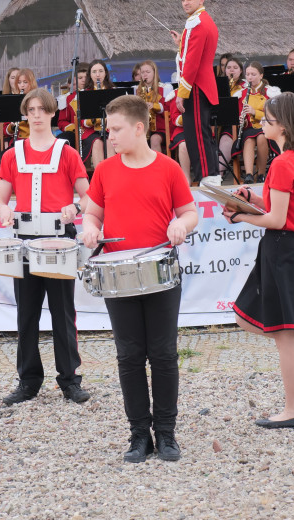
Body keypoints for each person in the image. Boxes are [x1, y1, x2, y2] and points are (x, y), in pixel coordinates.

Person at [81, 95, 198, 463]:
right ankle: (138, 435)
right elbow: (92, 216)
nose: (110, 136)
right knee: (129, 356)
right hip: (119, 276)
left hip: (162, 274)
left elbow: (191, 212)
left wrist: (180, 224)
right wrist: (89, 230)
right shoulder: (104, 171)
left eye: (116, 130)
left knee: (163, 354)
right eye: (108, 129)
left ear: (138, 128)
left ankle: (166, 434)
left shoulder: (168, 169)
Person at [223, 94, 294, 429]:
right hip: (290, 248)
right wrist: (249, 199)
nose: (262, 124)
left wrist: (242, 217)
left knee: (282, 333)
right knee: (255, 319)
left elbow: (276, 219)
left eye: (267, 120)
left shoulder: (285, 162)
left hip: (284, 249)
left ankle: (293, 409)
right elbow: (278, 207)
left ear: (283, 125)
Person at [0, 88, 91, 406]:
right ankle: (28, 381)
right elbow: (0, 200)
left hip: (60, 240)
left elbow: (88, 198)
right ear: (25, 114)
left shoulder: (67, 152)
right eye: (30, 110)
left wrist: (75, 209)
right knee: (26, 314)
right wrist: (4, 210)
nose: (36, 115)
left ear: (52, 113)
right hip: (24, 240)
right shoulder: (12, 155)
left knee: (63, 313)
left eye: (41, 109)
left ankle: (70, 380)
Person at [169, 0, 219, 183]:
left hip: (196, 86)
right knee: (200, 133)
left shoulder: (196, 22)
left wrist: (182, 92)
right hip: (201, 83)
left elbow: (191, 63)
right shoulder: (203, 20)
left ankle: (207, 178)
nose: (185, 3)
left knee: (197, 135)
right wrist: (182, 44)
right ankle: (210, 176)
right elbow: (193, 54)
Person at [236, 61, 280, 183]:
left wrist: (255, 112)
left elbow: (274, 116)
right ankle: (249, 174)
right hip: (249, 128)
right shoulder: (242, 93)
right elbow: (241, 115)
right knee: (249, 140)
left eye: (253, 74)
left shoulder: (269, 92)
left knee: (261, 137)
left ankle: (261, 174)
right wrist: (242, 121)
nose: (249, 77)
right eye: (248, 74)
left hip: (266, 126)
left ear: (261, 75)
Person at [68, 59, 112, 169]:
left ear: (105, 73)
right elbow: (82, 120)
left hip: (109, 129)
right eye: (94, 71)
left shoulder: (112, 90)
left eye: (101, 71)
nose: (98, 75)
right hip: (91, 130)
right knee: (96, 142)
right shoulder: (84, 94)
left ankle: (112, 176)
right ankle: (100, 177)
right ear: (90, 75)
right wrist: (92, 120)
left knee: (110, 141)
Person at [217, 57, 247, 177]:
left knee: (225, 138)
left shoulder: (246, 85)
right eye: (229, 68)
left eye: (235, 68)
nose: (231, 70)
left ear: (240, 71)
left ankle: (219, 172)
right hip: (222, 121)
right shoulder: (219, 84)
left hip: (240, 122)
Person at [135, 60, 170, 154]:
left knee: (154, 139)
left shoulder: (165, 88)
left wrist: (153, 106)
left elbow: (168, 109)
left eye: (148, 72)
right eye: (142, 72)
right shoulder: (138, 91)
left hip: (161, 128)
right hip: (144, 129)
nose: (145, 75)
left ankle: (158, 167)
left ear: (155, 73)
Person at [57, 63, 88, 150]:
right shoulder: (67, 98)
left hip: (93, 132)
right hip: (75, 133)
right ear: (75, 79)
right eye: (80, 78)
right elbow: (62, 122)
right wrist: (74, 128)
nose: (84, 80)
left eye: (86, 77)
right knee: (61, 141)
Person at [4, 68, 37, 144]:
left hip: (34, 140)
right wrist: (12, 127)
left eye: (25, 82)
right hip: (18, 141)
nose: (22, 85)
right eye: (19, 82)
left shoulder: (37, 100)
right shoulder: (13, 102)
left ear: (31, 83)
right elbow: (5, 131)